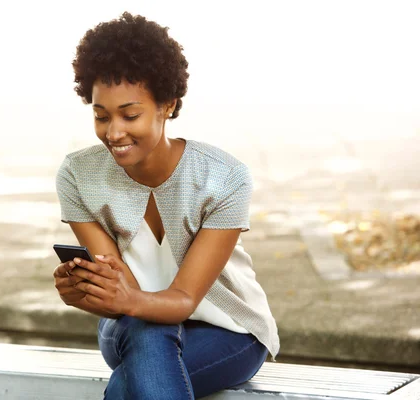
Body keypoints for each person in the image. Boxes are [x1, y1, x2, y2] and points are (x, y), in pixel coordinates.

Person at [53, 12, 279, 400]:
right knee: (146, 329)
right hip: (128, 325)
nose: (113, 132)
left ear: (167, 105)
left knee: (130, 384)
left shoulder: (224, 178)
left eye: (130, 114)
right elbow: (123, 290)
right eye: (101, 115)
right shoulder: (78, 175)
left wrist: (122, 297)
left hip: (226, 329)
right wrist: (90, 292)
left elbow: (185, 300)